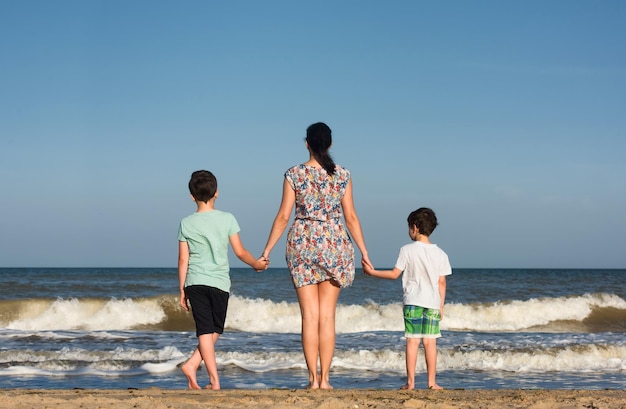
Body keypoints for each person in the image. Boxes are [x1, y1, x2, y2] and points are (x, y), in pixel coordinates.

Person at [261, 122, 372, 389]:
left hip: (302, 243)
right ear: (330, 144)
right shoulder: (343, 175)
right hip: (334, 244)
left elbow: (284, 216)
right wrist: (365, 253)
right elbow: (352, 217)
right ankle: (325, 380)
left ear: (307, 143)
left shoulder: (294, 174)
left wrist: (266, 251)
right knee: (327, 317)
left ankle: (312, 380)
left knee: (309, 317)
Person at [178, 170, 269, 390]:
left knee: (211, 330)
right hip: (219, 282)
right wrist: (256, 264)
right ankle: (214, 380)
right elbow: (240, 251)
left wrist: (182, 289)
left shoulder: (186, 222)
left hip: (195, 281)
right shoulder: (228, 218)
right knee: (210, 330)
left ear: (191, 196)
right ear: (217, 193)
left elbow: (183, 259)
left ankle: (191, 365)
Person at [362, 207, 451, 390]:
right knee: (430, 342)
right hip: (433, 303)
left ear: (415, 227)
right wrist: (441, 306)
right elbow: (441, 282)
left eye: (409, 227)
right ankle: (432, 382)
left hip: (413, 301)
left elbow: (395, 274)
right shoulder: (441, 254)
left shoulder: (407, 250)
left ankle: (410, 383)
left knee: (412, 341)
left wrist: (372, 272)